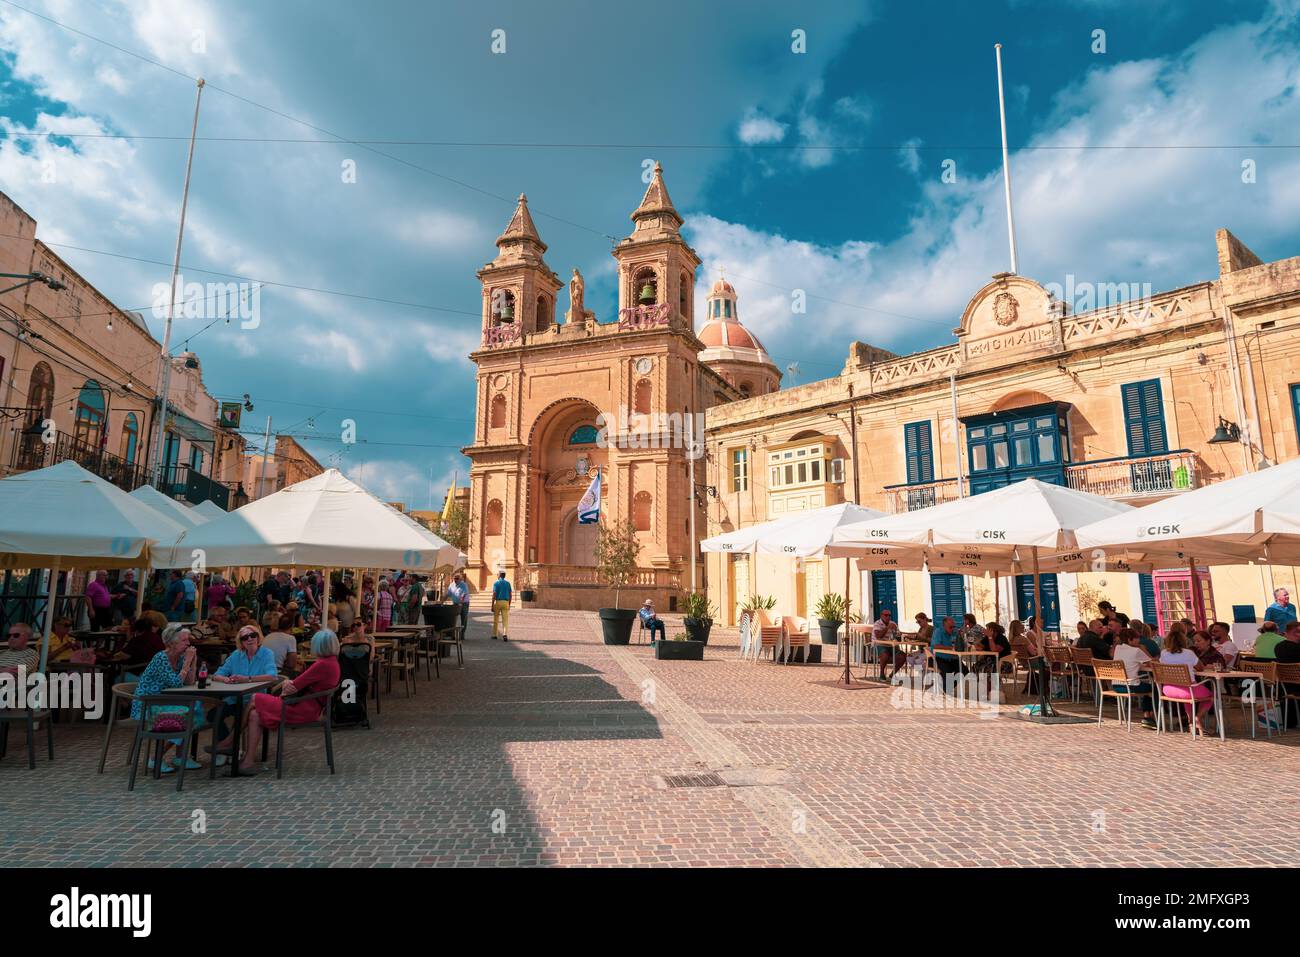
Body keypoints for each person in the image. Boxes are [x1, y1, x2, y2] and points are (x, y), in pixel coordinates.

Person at [237, 629, 341, 775]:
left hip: (302, 709)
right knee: (255, 714)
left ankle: (232, 740)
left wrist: (288, 683)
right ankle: (248, 761)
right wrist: (290, 683)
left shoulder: (322, 664)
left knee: (255, 698)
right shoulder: (332, 662)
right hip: (308, 707)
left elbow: (295, 685)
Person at [130, 623, 202, 773]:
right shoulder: (161, 658)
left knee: (195, 706)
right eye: (184, 641)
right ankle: (155, 758)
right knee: (185, 714)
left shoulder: (180, 657)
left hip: (164, 702)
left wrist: (192, 663)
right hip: (147, 705)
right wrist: (187, 662)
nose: (188, 643)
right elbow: (176, 683)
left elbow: (189, 682)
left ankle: (180, 757)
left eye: (188, 640)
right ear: (171, 643)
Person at [205, 625, 278, 762]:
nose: (250, 639)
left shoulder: (266, 653)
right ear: (241, 641)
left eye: (253, 635)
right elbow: (217, 675)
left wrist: (248, 679)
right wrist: (225, 679)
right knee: (213, 714)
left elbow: (272, 676)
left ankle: (229, 746)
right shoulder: (236, 655)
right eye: (245, 637)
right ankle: (229, 747)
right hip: (235, 698)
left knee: (240, 716)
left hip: (255, 700)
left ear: (258, 637)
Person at [1159, 628, 1212, 735]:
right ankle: (1197, 717)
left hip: (1168, 689)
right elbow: (1200, 668)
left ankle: (1191, 722)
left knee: (1188, 697)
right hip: (1187, 690)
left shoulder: (1163, 653)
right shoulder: (1189, 653)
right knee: (1211, 696)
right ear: (1184, 641)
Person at [1112, 628, 1156, 728]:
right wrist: (1143, 649)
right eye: (1136, 638)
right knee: (1153, 688)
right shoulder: (1136, 650)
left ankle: (1148, 716)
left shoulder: (1118, 648)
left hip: (1116, 685)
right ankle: (1148, 716)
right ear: (1129, 640)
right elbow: (1152, 663)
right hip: (1129, 685)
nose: (1139, 640)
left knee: (1148, 686)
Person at [930, 616, 961, 693]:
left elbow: (959, 643)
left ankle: (947, 687)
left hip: (952, 658)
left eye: (953, 626)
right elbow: (935, 646)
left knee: (964, 670)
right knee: (948, 672)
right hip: (939, 657)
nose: (953, 628)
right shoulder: (938, 632)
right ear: (944, 626)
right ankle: (946, 689)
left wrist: (961, 635)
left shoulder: (954, 632)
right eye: (951, 627)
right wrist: (950, 648)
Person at [491, 571, 512, 641]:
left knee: (496, 619)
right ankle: (505, 634)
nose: (497, 575)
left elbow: (494, 594)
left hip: (498, 602)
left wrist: (492, 605)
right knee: (505, 620)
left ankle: (494, 635)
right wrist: (509, 604)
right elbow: (510, 594)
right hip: (505, 602)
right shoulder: (508, 583)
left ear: (499, 575)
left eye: (497, 574)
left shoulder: (496, 583)